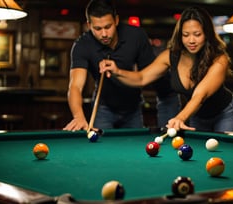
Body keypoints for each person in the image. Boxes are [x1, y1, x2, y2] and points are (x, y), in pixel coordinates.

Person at [99, 6, 233, 132]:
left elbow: (200, 96)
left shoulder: (219, 59)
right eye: (186, 35)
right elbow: (142, 78)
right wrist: (117, 71)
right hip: (197, 115)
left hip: (224, 114)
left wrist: (179, 118)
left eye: (197, 34)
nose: (191, 40)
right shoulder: (170, 56)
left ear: (207, 35)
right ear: (180, 35)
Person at [63, 0, 180, 131]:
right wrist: (78, 117)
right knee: (101, 148)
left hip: (133, 107)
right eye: (98, 28)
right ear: (89, 25)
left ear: (116, 20)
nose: (104, 34)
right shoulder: (82, 45)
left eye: (108, 27)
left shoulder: (136, 36)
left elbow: (147, 75)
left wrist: (167, 100)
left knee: (133, 149)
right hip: (103, 107)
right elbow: (75, 87)